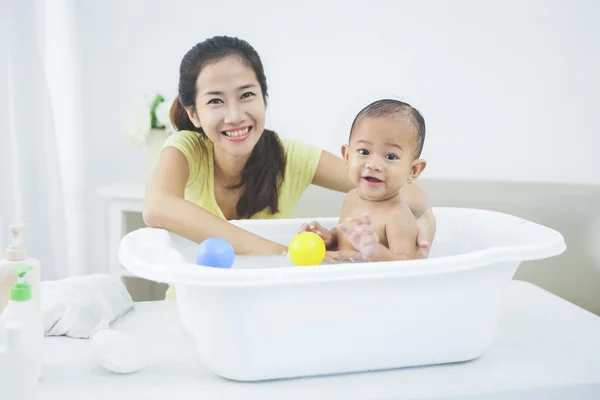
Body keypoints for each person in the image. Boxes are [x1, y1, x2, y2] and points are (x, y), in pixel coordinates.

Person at [142, 36, 436, 298]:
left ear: (264, 99)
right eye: (215, 100)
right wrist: (284, 252)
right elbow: (157, 207)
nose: (234, 115)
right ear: (193, 113)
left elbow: (415, 198)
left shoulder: (290, 157)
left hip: (271, 305)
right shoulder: (187, 150)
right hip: (194, 306)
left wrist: (423, 225)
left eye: (247, 95)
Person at [300, 99, 429, 262]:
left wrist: (376, 252)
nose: (374, 164)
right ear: (347, 156)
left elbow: (408, 266)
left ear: (413, 170)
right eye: (364, 151)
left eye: (391, 156)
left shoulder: (398, 217)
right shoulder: (352, 197)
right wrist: (329, 237)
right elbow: (346, 234)